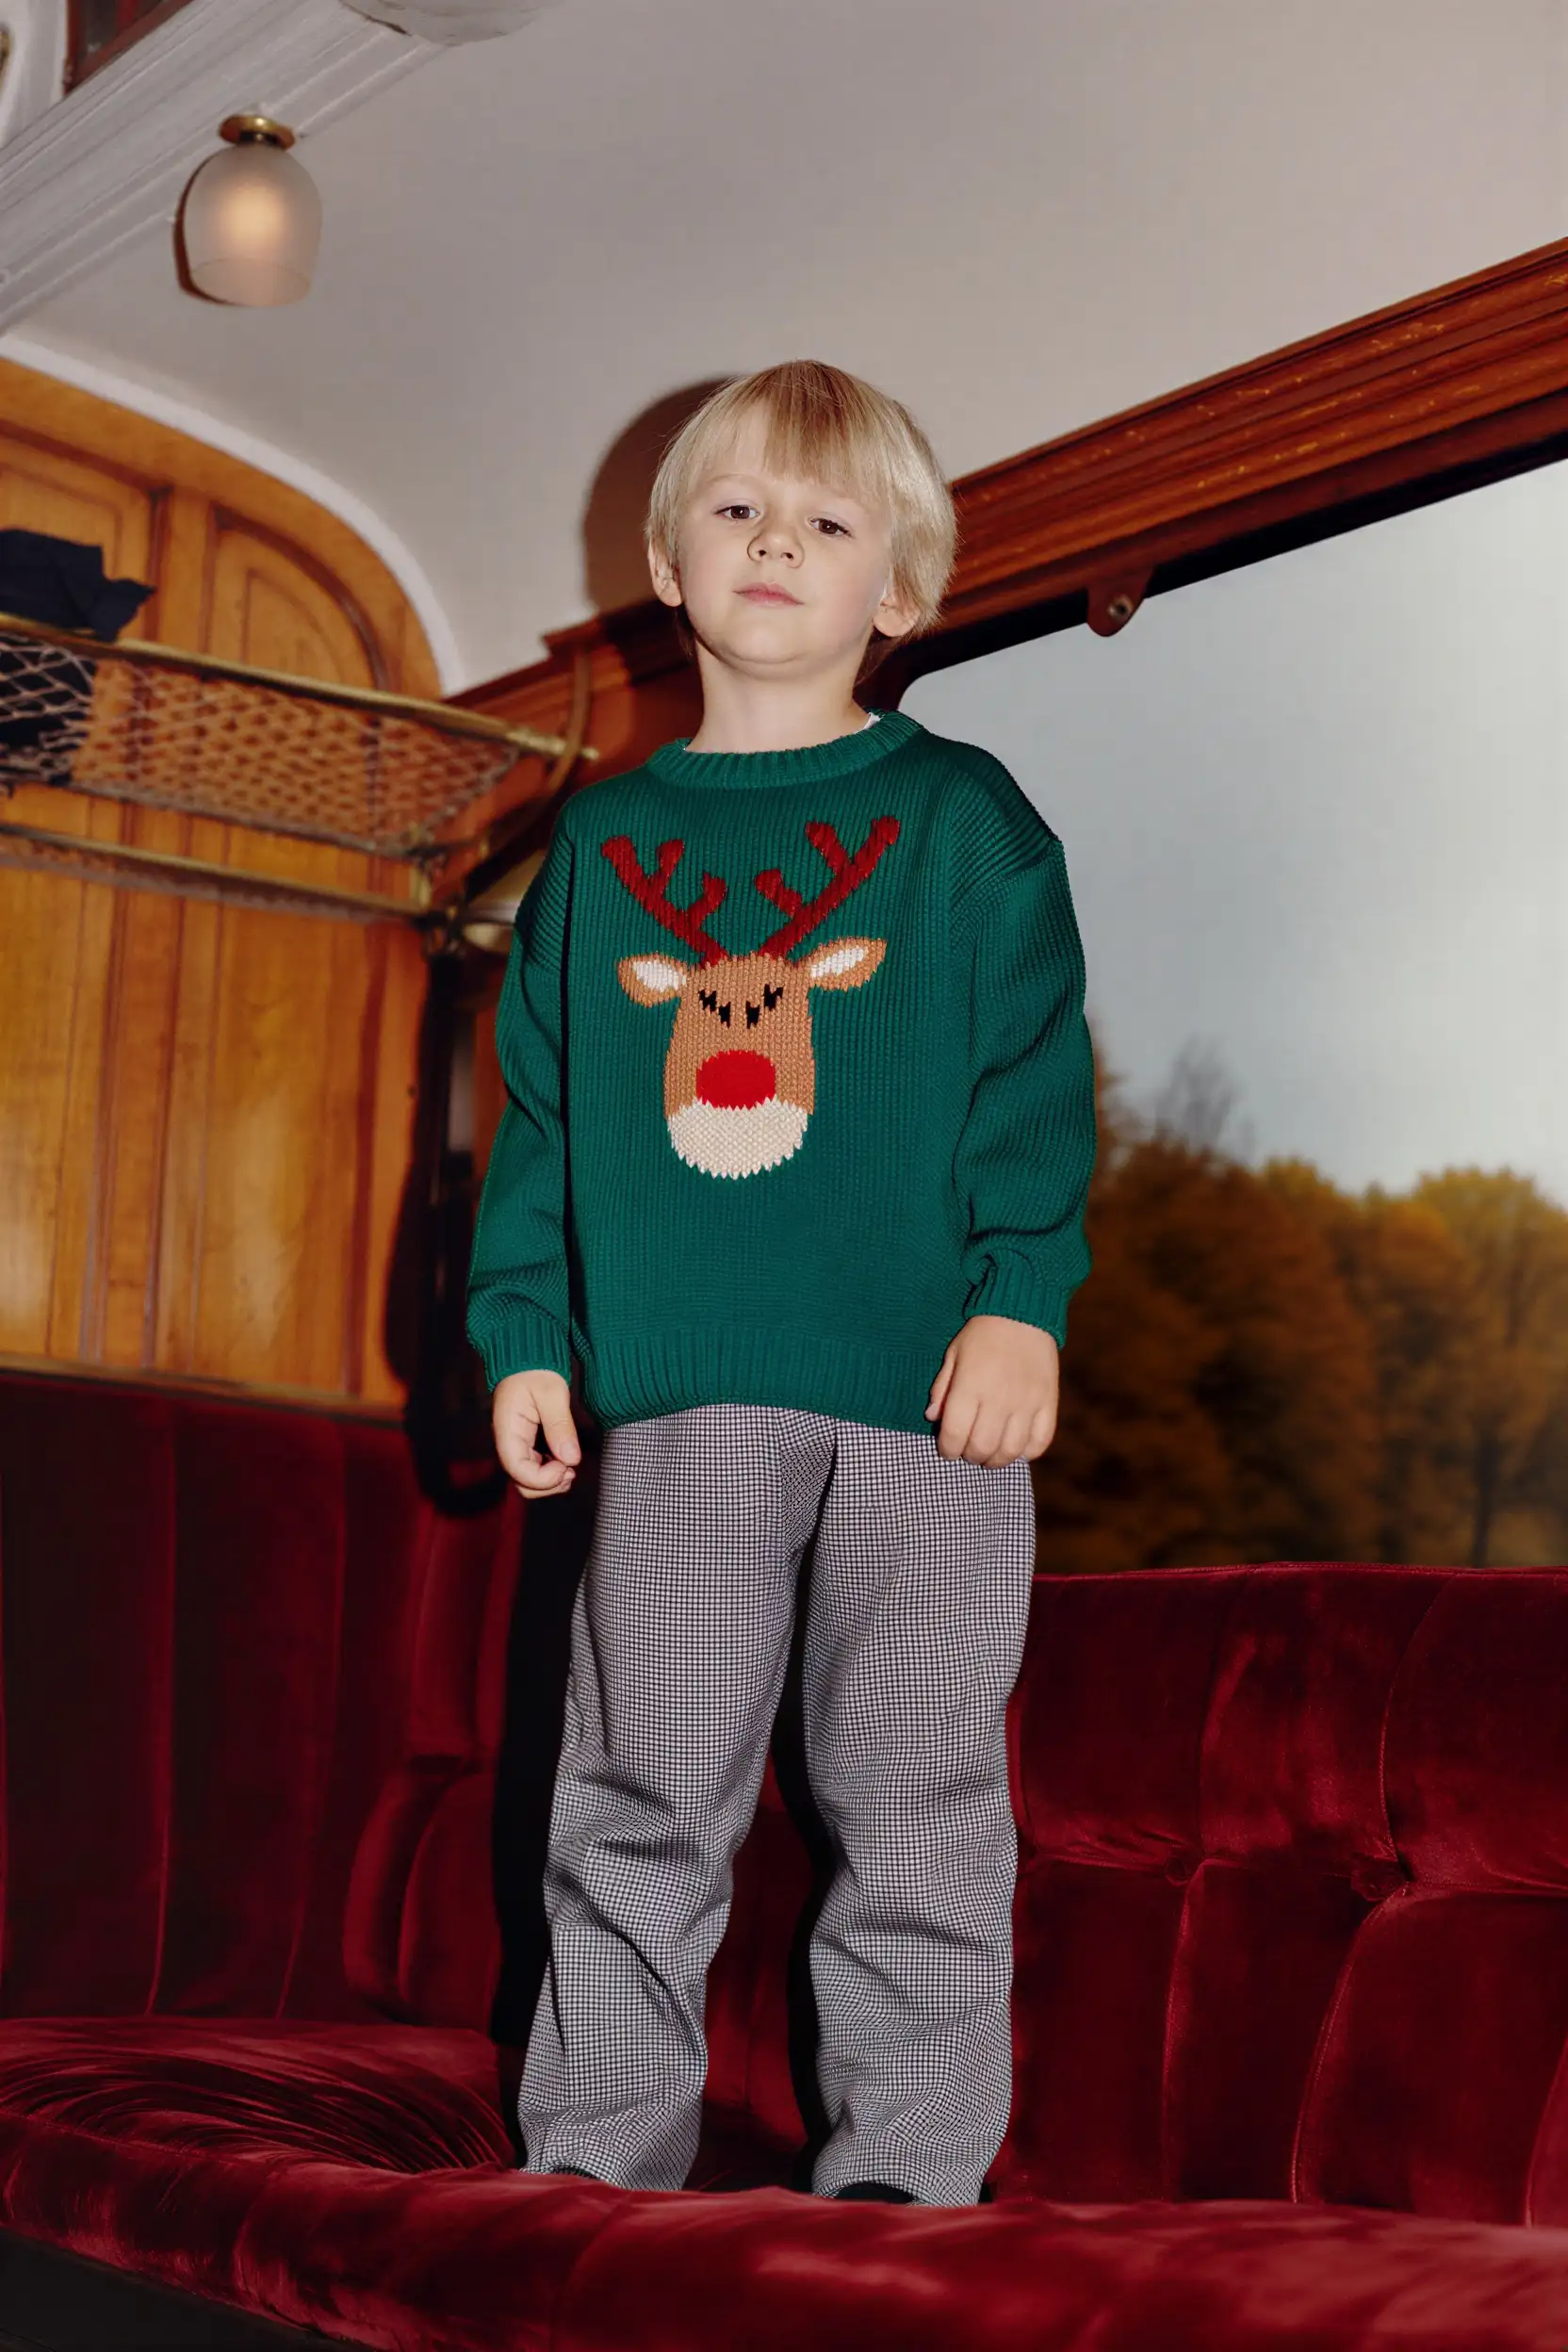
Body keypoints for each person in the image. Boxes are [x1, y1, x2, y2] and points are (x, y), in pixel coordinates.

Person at [466, 358, 1097, 2207]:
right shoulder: (597, 850)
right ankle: (588, 2174)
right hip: (679, 1402)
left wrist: (1019, 1300)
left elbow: (1033, 1082)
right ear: (669, 557)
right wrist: (525, 1328)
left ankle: (906, 2185)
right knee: (639, 1799)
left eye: (829, 522)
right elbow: (547, 1111)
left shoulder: (968, 820)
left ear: (895, 592)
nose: (774, 543)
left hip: (928, 1397)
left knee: (915, 1808)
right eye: (735, 507)